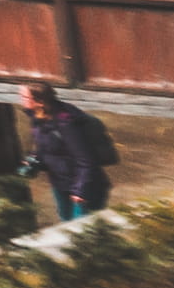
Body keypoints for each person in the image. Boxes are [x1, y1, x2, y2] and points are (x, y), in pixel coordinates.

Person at [21, 83, 117, 223]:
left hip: (85, 187)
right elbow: (47, 148)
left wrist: (81, 190)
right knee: (66, 225)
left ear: (39, 102)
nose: (21, 99)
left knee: (81, 231)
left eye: (24, 96)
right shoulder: (38, 118)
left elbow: (86, 160)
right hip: (61, 184)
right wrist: (34, 160)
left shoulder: (66, 124)